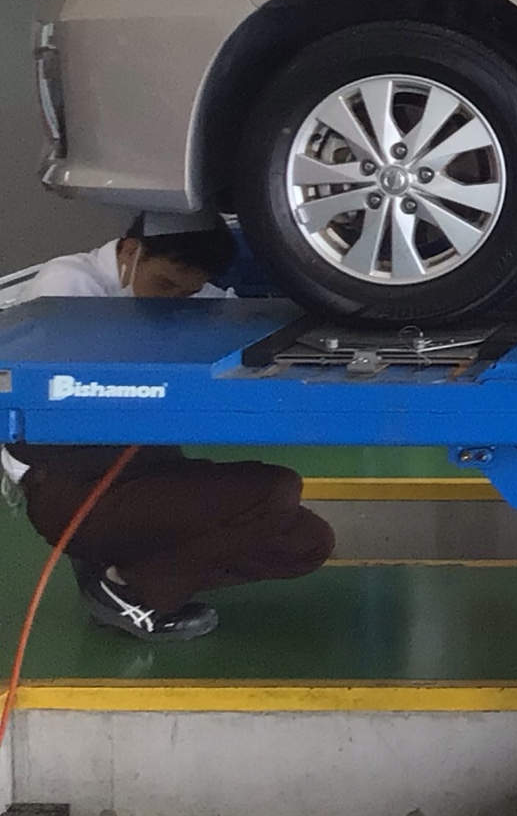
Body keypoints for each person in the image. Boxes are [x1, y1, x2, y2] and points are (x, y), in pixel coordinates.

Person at [0, 211, 335, 641]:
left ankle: (128, 573)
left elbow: (239, 323)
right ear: (129, 252)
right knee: (273, 490)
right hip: (70, 485)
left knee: (306, 542)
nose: (172, 301)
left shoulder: (190, 298)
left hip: (145, 472)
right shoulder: (66, 287)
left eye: (186, 293)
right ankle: (130, 592)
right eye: (164, 284)